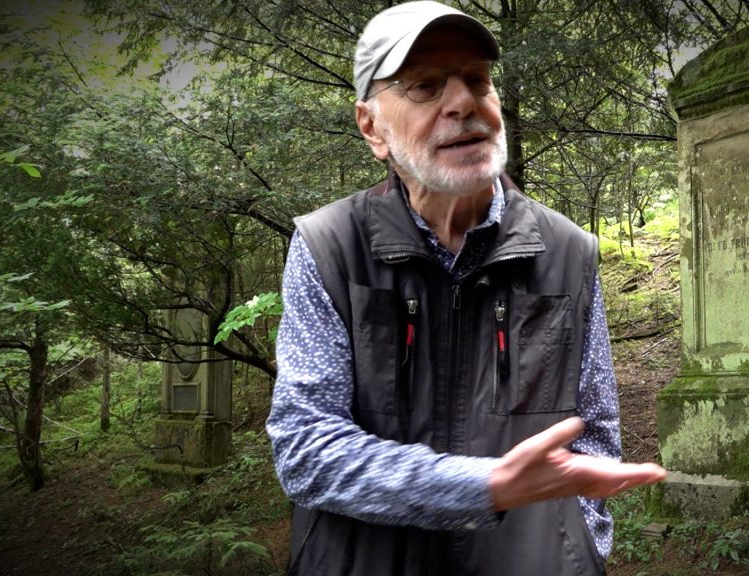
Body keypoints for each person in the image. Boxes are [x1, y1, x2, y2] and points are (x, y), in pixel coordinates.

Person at [266, 2, 666, 574]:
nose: (463, 102)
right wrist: (485, 486)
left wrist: (580, 548)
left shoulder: (568, 251)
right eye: (426, 86)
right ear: (372, 127)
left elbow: (595, 431)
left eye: (477, 80)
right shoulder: (329, 246)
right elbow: (305, 449)